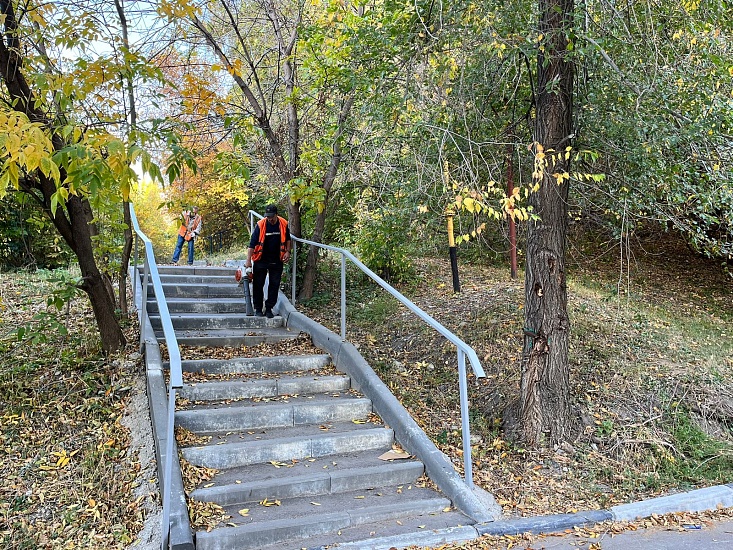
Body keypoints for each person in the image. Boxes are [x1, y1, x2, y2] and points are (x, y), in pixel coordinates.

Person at [245, 204, 291, 318]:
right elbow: (251, 244)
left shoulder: (283, 224)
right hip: (261, 259)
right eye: (268, 216)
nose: (269, 219)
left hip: (276, 260)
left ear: (276, 215)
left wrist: (288, 251)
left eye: (271, 216)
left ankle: (269, 308)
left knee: (274, 285)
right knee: (258, 284)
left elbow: (288, 239)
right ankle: (258, 309)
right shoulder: (261, 225)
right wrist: (248, 261)